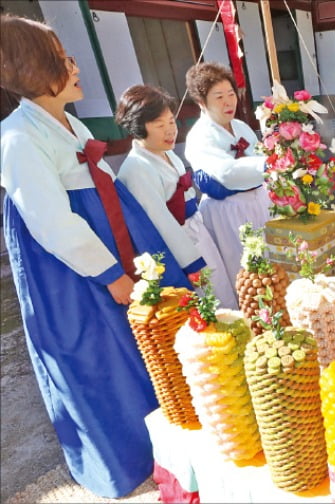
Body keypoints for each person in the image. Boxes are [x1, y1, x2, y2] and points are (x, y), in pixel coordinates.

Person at [0, 15, 194, 498]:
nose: (75, 66)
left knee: (137, 344)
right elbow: (51, 222)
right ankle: (121, 459)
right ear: (34, 68)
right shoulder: (19, 137)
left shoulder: (67, 121)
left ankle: (158, 440)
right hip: (71, 268)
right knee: (94, 353)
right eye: (62, 59)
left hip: (109, 242)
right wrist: (110, 273)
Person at [115, 84, 238, 309]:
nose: (170, 130)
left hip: (196, 230)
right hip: (179, 243)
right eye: (160, 125)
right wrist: (190, 263)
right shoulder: (136, 169)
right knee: (208, 299)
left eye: (171, 121)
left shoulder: (167, 154)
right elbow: (161, 223)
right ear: (138, 127)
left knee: (222, 288)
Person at [184, 62, 270, 288]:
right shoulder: (200, 136)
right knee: (242, 268)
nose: (228, 102)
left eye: (231, 94)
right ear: (202, 103)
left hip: (258, 201)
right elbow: (226, 173)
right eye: (219, 97)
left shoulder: (240, 126)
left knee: (270, 261)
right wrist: (268, 164)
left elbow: (259, 153)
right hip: (228, 209)